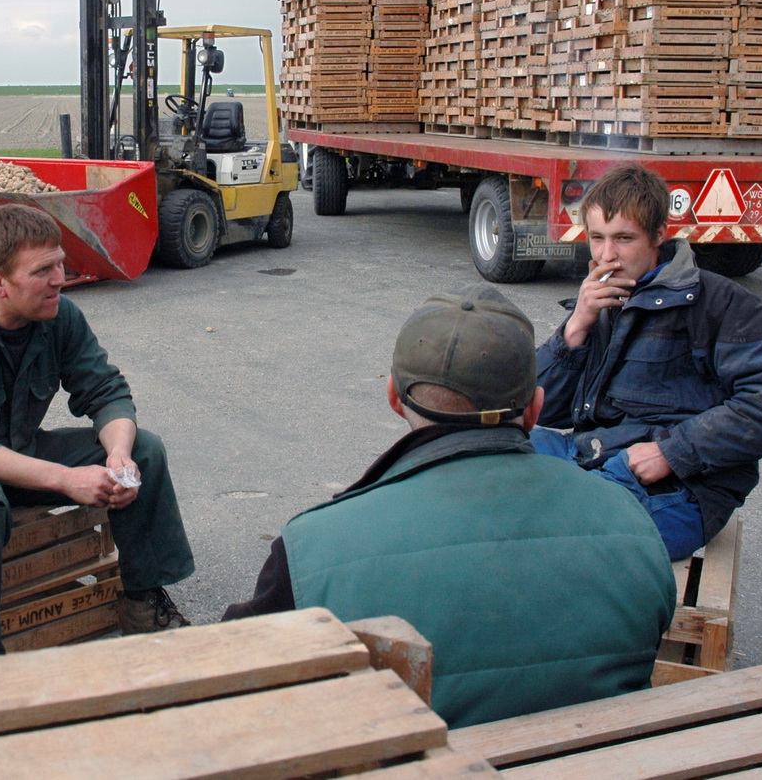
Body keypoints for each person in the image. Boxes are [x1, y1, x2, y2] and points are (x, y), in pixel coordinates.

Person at [224, 283, 674, 728]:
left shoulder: (311, 550)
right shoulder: (629, 519)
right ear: (535, 409)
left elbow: (228, 686)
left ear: (394, 397)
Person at [0, 203, 195, 659]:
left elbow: (105, 391)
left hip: (11, 448)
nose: (60, 279)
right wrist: (66, 478)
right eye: (42, 270)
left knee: (144, 449)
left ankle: (143, 607)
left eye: (60, 263)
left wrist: (118, 456)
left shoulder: (58, 316)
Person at [533, 162, 762, 560]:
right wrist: (575, 329)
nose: (606, 255)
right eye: (596, 238)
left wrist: (674, 451)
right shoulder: (601, 300)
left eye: (624, 238)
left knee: (554, 538)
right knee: (480, 459)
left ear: (658, 235)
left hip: (681, 489)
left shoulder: (719, 305)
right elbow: (539, 406)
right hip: (593, 454)